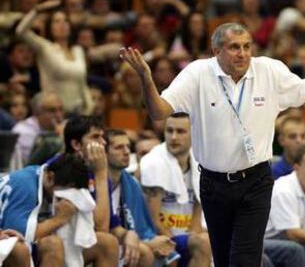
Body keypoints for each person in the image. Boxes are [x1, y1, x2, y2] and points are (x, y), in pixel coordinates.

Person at [120, 22, 305, 266]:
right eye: (234, 47)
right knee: (223, 259)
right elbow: (158, 112)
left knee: (245, 259)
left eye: (247, 46)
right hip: (213, 183)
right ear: (216, 51)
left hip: (256, 181)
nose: (242, 54)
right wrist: (145, 77)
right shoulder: (197, 73)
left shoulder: (269, 70)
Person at [63, 115, 154, 266]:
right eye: (96, 137)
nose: (103, 142)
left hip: (85, 241)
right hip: (63, 241)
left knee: (143, 253)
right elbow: (101, 227)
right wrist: (101, 173)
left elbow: (112, 225)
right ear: (76, 144)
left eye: (102, 137)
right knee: (107, 243)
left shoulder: (95, 173)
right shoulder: (63, 172)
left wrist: (129, 234)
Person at [0, 153, 119, 267]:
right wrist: (59, 220)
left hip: (37, 246)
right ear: (50, 178)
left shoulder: (64, 181)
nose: (67, 200)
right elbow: (20, 235)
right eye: (65, 195)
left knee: (107, 243)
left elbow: (99, 228)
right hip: (13, 245)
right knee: (53, 245)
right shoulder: (25, 184)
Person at [140, 113, 211, 267]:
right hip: (158, 236)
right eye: (169, 131)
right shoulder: (153, 163)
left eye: (180, 131)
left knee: (207, 241)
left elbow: (197, 217)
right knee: (203, 242)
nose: (173, 137)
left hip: (185, 236)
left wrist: (193, 235)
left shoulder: (200, 162)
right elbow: (154, 220)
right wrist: (173, 246)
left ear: (194, 133)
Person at [105, 128, 180, 265]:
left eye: (128, 146)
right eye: (119, 148)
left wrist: (153, 241)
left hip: (132, 239)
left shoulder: (132, 184)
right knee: (144, 251)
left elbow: (143, 228)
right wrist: (150, 243)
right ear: (104, 152)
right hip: (109, 242)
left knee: (170, 255)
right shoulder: (96, 181)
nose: (127, 151)